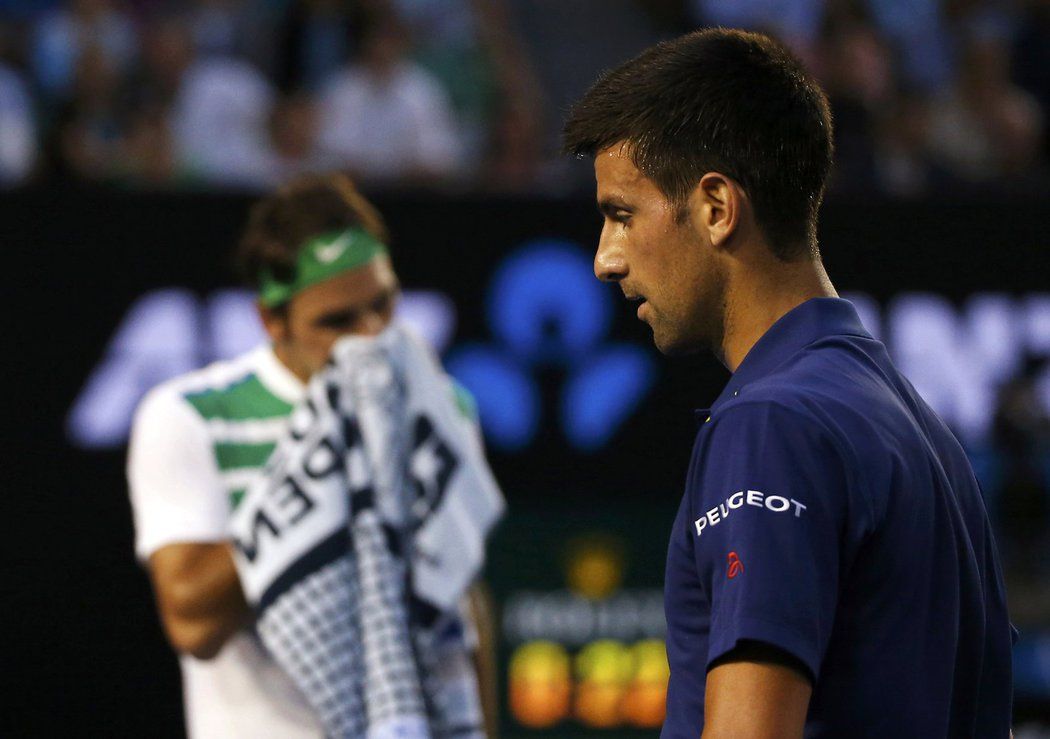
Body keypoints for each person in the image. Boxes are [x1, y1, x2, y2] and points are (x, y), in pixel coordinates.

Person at [563, 29, 1014, 738]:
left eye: (621, 214)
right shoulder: (924, 432)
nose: (605, 260)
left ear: (716, 207)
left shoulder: (770, 425)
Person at [127, 173, 495, 737]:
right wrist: (327, 470)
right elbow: (193, 624)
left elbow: (461, 597)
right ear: (272, 322)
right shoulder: (189, 415)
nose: (371, 336)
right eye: (338, 322)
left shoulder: (440, 406)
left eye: (383, 305)